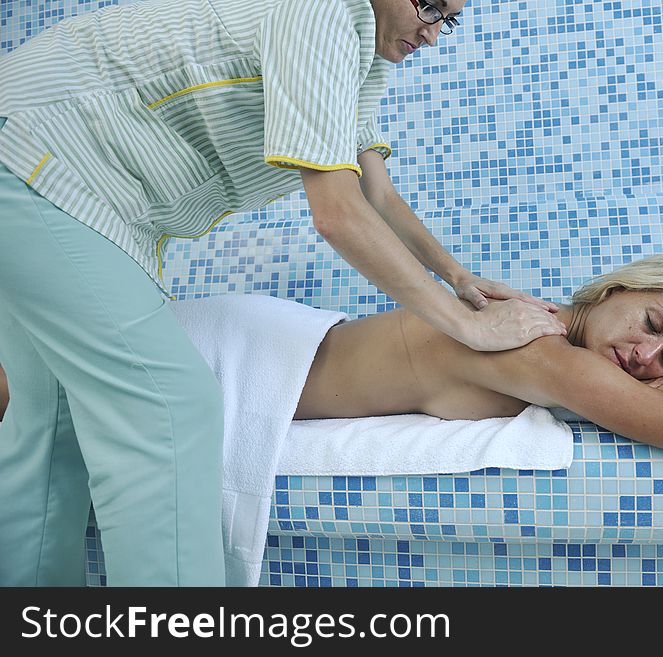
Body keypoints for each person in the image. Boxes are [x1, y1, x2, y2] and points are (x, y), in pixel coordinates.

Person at [0, 0, 564, 586]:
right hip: (41, 161)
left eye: (449, 17)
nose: (434, 31)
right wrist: (465, 326)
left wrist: (460, 279)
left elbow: (375, 194)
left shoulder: (359, 52)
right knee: (168, 407)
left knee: (50, 422)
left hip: (43, 170)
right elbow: (337, 214)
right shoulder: (318, 12)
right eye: (427, 5)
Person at [0, 256, 663, 469]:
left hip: (255, 341)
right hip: (229, 352)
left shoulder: (539, 327)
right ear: (614, 288)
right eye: (652, 322)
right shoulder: (547, 353)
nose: (645, 354)